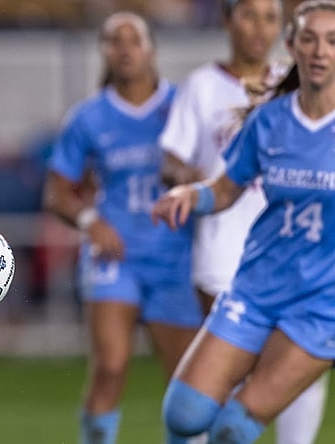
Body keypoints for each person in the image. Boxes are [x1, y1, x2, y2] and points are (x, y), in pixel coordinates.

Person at [153, 1, 335, 442]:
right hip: (257, 289)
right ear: (290, 45)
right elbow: (225, 188)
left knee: (234, 429)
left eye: (332, 40)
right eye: (309, 39)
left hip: (322, 306)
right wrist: (187, 195)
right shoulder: (270, 120)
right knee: (183, 415)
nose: (320, 51)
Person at [42, 12, 202, 444]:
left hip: (175, 256)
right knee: (110, 367)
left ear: (152, 48)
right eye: (115, 40)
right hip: (117, 257)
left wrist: (189, 175)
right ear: (105, 51)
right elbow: (56, 193)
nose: (125, 48)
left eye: (134, 39)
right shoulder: (88, 117)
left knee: (185, 386)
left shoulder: (183, 104)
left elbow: (217, 173)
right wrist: (90, 221)